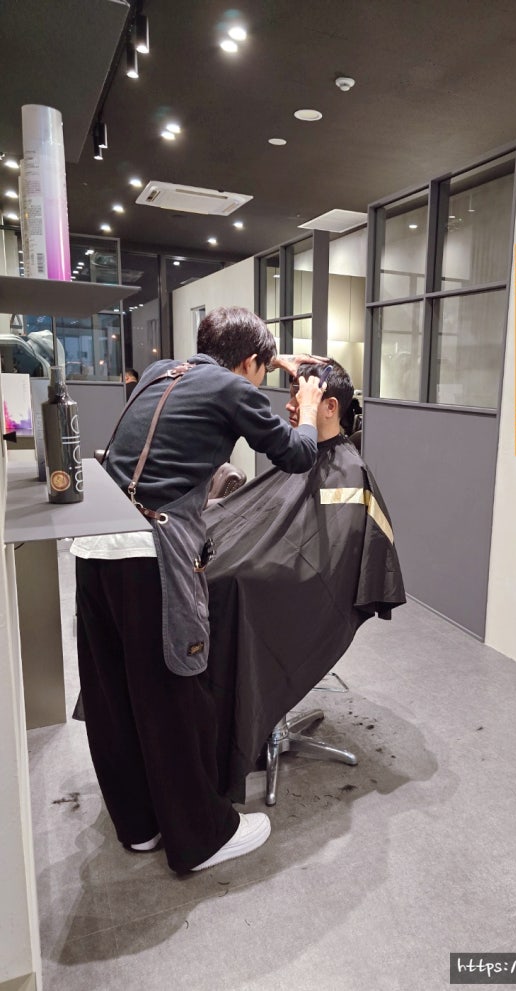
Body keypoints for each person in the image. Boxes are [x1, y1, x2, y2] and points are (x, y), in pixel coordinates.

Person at [71, 307, 327, 873]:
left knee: (115, 694)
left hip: (93, 548)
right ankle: (203, 837)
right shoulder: (235, 389)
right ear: (249, 362)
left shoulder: (162, 370)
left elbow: (221, 373)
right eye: (261, 368)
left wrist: (270, 360)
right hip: (149, 555)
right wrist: (307, 409)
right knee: (172, 698)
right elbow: (298, 454)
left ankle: (140, 826)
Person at [204, 359, 406, 799]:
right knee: (212, 570)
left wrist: (250, 568)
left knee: (230, 589)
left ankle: (237, 730)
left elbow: (325, 559)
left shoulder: (349, 473)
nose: (291, 405)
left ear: (329, 407)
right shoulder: (302, 453)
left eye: (301, 396)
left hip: (307, 598)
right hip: (277, 577)